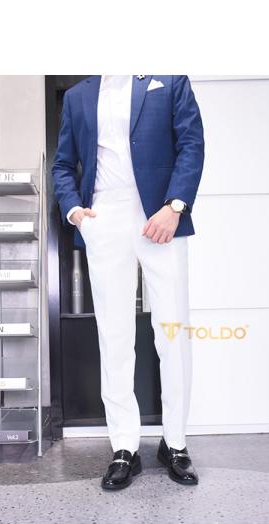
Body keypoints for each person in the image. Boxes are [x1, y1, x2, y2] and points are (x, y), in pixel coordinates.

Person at [51, 75, 204, 490]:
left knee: (173, 333)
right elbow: (63, 164)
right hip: (104, 216)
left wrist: (175, 206)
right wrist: (75, 211)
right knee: (114, 336)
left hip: (161, 214)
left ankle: (175, 443)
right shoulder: (78, 97)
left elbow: (191, 143)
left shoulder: (169, 79)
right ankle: (124, 446)